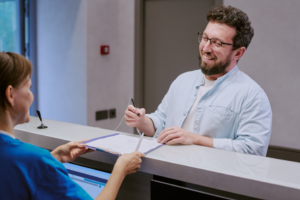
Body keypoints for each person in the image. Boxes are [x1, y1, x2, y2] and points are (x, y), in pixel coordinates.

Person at [125, 6, 272, 156]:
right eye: (205, 38)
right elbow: (162, 121)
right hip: (168, 172)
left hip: (210, 178)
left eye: (217, 43)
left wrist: (195, 139)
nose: (206, 48)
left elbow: (253, 150)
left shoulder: (252, 95)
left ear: (238, 52)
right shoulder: (182, 80)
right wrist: (142, 121)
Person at [0, 51, 144, 200]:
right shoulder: (34, 160)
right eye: (29, 88)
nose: (32, 95)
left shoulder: (32, 162)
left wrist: (53, 159)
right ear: (10, 94)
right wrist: (120, 170)